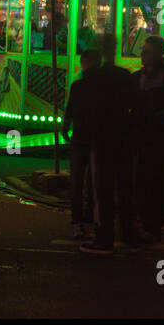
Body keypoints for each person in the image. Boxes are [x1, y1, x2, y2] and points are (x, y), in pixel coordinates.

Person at [79, 35, 139, 255]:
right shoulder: (126, 76)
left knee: (102, 189)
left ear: (101, 49)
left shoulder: (92, 77)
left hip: (101, 139)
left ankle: (104, 238)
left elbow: (86, 110)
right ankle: (129, 234)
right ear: (117, 48)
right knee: (125, 187)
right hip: (123, 137)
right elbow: (136, 106)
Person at [131, 35, 164, 242]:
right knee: (144, 179)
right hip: (144, 136)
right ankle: (148, 222)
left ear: (158, 54)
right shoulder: (140, 77)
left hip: (159, 137)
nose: (142, 54)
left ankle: (153, 224)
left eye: (146, 51)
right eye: (142, 50)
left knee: (156, 179)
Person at [63, 48, 103, 238]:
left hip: (81, 137)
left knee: (78, 181)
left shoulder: (78, 85)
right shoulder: (103, 86)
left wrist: (65, 127)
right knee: (93, 181)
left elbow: (69, 110)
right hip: (95, 137)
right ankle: (89, 218)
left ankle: (78, 220)